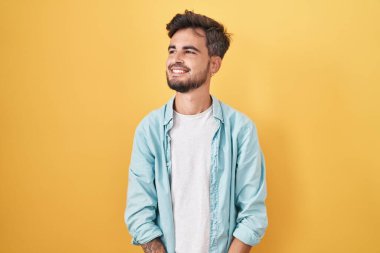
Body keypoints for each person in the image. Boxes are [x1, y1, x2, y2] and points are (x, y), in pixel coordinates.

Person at [124, 10, 268, 253]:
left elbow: (252, 214)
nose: (176, 59)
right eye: (172, 50)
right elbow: (139, 211)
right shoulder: (149, 130)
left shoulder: (240, 130)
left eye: (189, 51)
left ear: (214, 64)